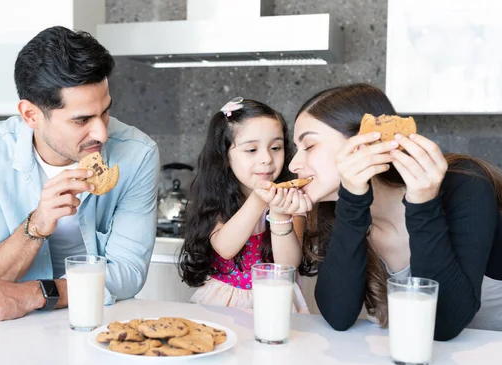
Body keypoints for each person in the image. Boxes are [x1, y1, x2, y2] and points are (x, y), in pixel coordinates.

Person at [0, 26, 160, 321]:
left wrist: (36, 294)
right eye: (81, 120)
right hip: (10, 324)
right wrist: (36, 225)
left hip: (98, 319)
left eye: (104, 111)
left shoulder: (137, 154)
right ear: (31, 115)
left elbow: (127, 273)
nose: (101, 133)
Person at [290, 83, 502, 340]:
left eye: (309, 146)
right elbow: (338, 316)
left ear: (366, 142)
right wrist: (352, 202)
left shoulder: (465, 184)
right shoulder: (337, 213)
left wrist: (424, 205)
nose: (293, 164)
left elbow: (443, 325)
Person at [179, 97, 311, 312]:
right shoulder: (217, 198)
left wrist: (278, 212)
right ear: (224, 157)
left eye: (275, 147)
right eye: (251, 150)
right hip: (225, 302)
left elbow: (287, 265)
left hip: (276, 301)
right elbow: (225, 248)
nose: (267, 158)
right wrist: (259, 198)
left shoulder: (291, 197)